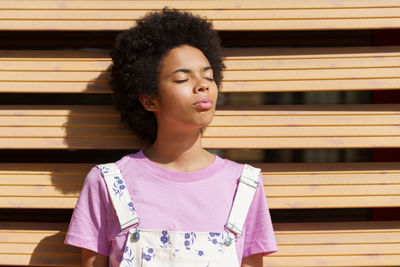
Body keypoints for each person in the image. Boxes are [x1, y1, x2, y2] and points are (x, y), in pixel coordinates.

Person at [65, 7, 277, 267]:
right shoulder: (108, 183)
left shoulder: (244, 186)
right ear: (150, 100)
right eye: (182, 78)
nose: (203, 85)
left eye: (208, 76)